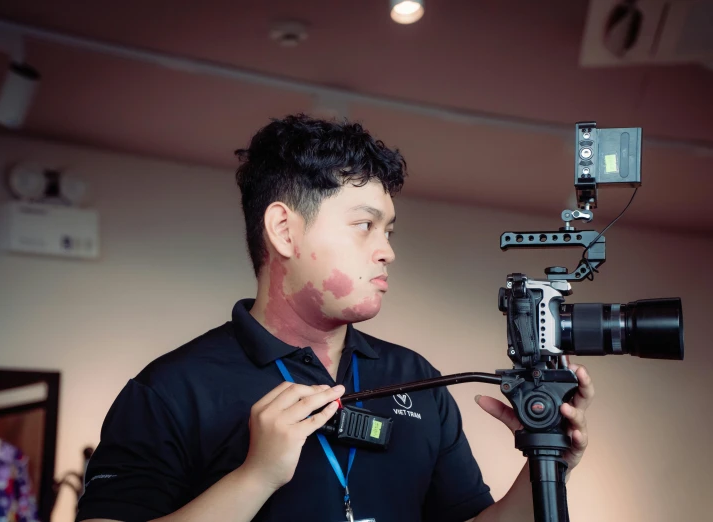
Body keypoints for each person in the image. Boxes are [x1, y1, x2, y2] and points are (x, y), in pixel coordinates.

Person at [76, 114, 594, 522]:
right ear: (283, 230)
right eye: (364, 226)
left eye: (389, 230)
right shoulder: (169, 389)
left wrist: (547, 465)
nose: (386, 251)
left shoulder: (416, 378)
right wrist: (254, 477)